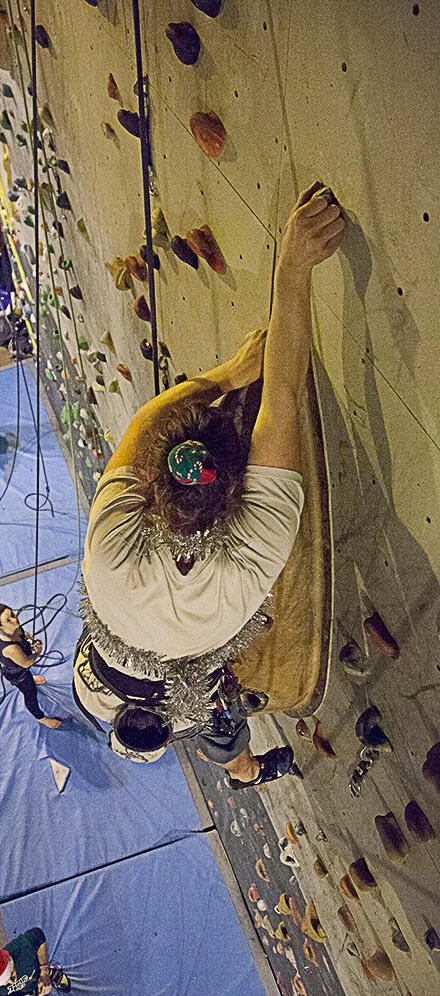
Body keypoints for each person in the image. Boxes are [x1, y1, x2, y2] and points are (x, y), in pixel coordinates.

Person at [75, 181, 345, 789]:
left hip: (191, 646)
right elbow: (145, 428)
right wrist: (227, 374)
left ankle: (247, 770)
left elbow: (282, 397)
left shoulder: (244, 571)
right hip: (120, 627)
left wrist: (295, 267)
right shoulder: (106, 554)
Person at [0, 603, 61, 729]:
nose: (15, 620)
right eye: (8, 620)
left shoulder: (8, 626)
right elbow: (27, 663)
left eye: (13, 614)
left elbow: (21, 631)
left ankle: (31, 678)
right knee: (30, 694)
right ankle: (40, 718)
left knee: (28, 677)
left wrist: (32, 638)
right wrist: (38, 651)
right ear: (0, 626)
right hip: (18, 675)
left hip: (21, 665)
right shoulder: (10, 648)